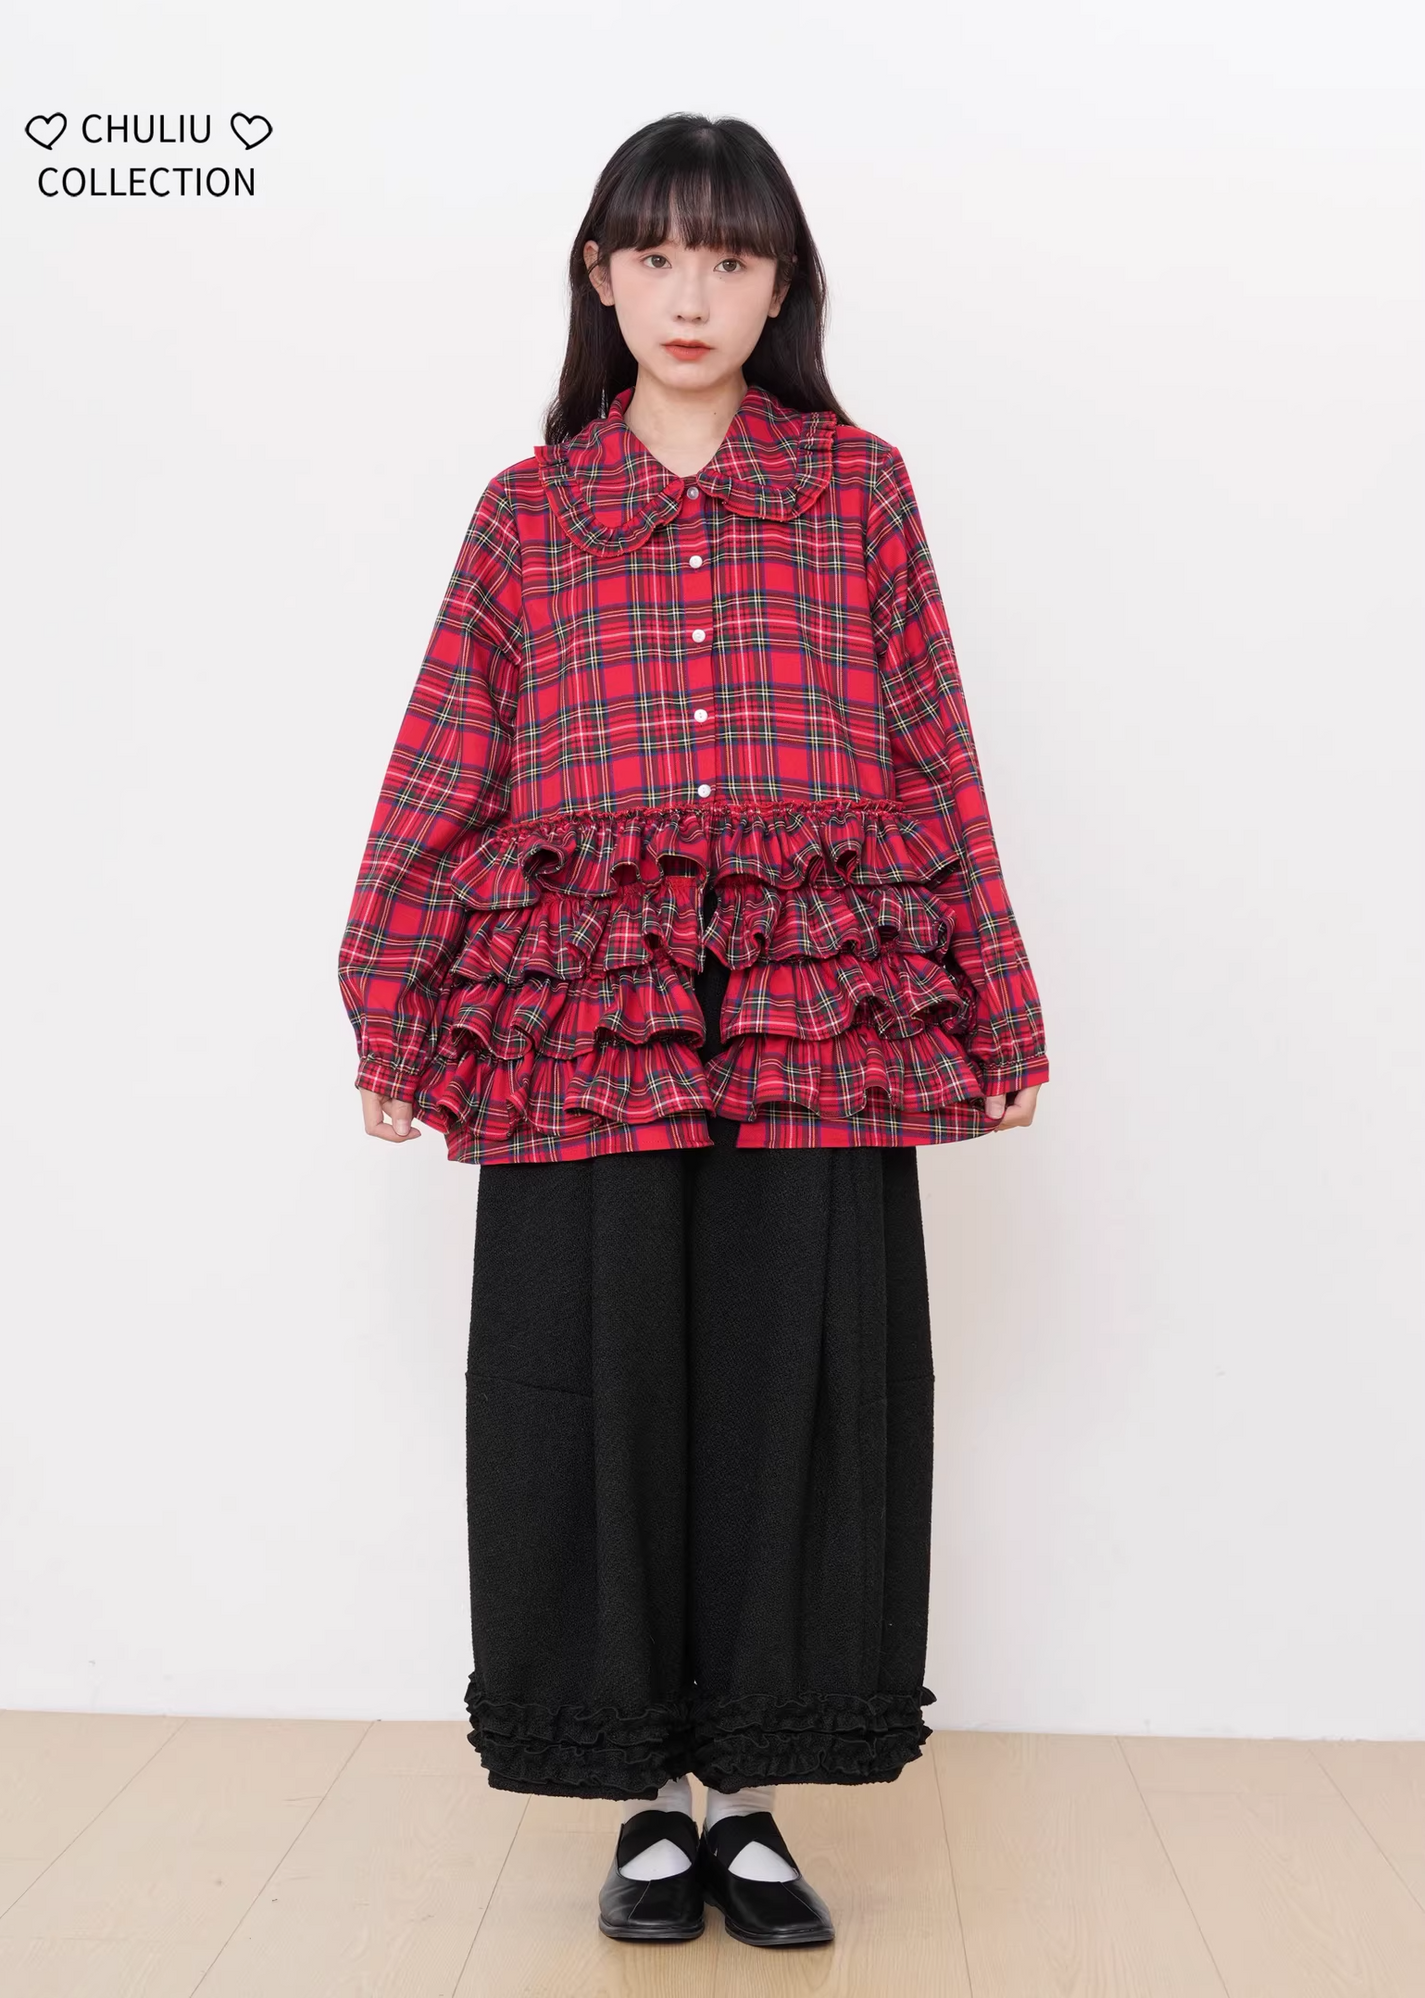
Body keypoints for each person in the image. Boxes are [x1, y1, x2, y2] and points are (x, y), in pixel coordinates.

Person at [337, 112, 1048, 1950]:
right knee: (598, 1380)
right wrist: (392, 1006)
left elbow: (935, 748)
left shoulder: (860, 491)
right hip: (591, 1021)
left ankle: (751, 1797)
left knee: (794, 1384)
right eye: (655, 256)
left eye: (729, 259)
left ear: (780, 285)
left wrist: (995, 997)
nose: (690, 294)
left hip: (818, 1008)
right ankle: (646, 1800)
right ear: (599, 275)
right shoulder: (530, 515)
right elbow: (444, 762)